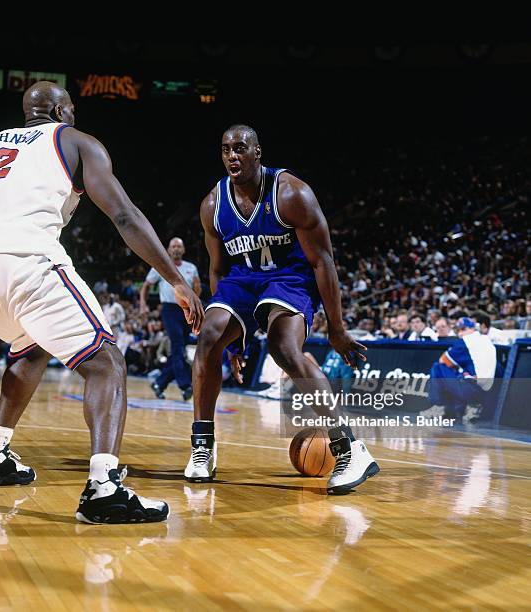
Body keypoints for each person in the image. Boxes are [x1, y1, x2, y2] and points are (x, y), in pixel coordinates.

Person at [0, 81, 203, 524]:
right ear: (60, 109)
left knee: (30, 347)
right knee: (107, 362)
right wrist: (177, 280)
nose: (74, 116)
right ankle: (104, 488)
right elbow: (125, 215)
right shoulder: (75, 141)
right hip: (28, 262)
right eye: (71, 109)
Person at [185, 124, 379, 494]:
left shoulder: (292, 194)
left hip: (290, 277)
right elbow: (217, 270)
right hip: (243, 278)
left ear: (258, 152)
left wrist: (336, 328)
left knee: (284, 347)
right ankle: (202, 448)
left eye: (240, 148)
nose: (232, 156)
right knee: (209, 338)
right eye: (226, 149)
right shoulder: (213, 204)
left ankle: (351, 449)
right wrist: (234, 341)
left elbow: (323, 262)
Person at [140, 237, 200, 401]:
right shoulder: (161, 266)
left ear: (183, 250)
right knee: (178, 345)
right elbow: (146, 286)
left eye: (179, 246)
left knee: (178, 349)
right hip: (169, 309)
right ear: (168, 249)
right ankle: (185, 386)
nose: (176, 249)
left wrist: (194, 304)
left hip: (186, 310)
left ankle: (160, 383)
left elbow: (197, 287)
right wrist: (143, 304)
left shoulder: (191, 268)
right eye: (173, 246)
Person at [421, 317, 500, 422]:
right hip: (488, 393)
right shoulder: (487, 340)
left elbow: (443, 360)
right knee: (461, 373)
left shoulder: (467, 341)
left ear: (472, 329)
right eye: (459, 330)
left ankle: (438, 406)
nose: (461, 333)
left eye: (464, 329)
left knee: (438, 368)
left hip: (472, 390)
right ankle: (471, 407)